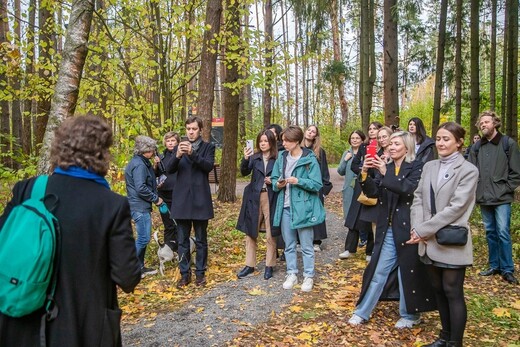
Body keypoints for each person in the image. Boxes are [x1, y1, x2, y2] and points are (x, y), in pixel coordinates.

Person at [0, 115, 141, 346]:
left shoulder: (28, 190)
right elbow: (128, 277)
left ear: (59, 147)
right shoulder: (111, 205)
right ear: (102, 154)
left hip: (20, 324)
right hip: (82, 329)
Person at [348, 131, 436, 328]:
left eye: (397, 144)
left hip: (410, 228)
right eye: (391, 144)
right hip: (387, 228)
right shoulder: (386, 166)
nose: (392, 147)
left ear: (407, 147)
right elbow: (374, 192)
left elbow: (409, 190)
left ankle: (410, 315)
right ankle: (362, 312)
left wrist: (385, 173)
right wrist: (364, 173)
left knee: (408, 271)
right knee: (379, 270)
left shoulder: (416, 167)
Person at [408, 122, 479, 347]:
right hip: (427, 239)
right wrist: (417, 226)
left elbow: (456, 208)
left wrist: (424, 229)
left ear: (459, 143)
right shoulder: (429, 166)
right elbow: (417, 197)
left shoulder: (468, 170)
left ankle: (454, 342)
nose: (440, 143)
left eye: (446, 139)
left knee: (452, 291)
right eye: (438, 138)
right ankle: (444, 336)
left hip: (450, 239)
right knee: (437, 289)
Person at [468, 111, 520, 285]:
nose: (483, 125)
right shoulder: (477, 147)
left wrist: (506, 189)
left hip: (502, 197)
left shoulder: (508, 143)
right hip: (483, 196)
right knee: (490, 232)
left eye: (486, 122)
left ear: (495, 123)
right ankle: (494, 265)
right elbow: (471, 172)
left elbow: (516, 172)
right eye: (481, 123)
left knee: (503, 232)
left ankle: (507, 269)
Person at [271, 125, 325, 292]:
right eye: (283, 140)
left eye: (286, 141)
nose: (283, 143)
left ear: (296, 141)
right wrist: (277, 184)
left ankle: (308, 276)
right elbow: (274, 180)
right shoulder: (281, 157)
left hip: (304, 208)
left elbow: (317, 184)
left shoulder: (310, 159)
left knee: (307, 245)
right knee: (289, 244)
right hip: (285, 206)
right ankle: (292, 273)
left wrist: (298, 181)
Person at [165, 116, 215, 288]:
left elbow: (208, 166)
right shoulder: (178, 148)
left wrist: (193, 154)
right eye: (188, 129)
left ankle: (200, 274)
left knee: (201, 240)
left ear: (200, 129)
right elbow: (168, 169)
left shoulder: (208, 147)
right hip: (182, 201)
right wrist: (178, 155)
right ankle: (184, 274)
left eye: (194, 129)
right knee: (182, 240)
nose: (191, 132)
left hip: (201, 199)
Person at [236, 130, 279, 280]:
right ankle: (249, 264)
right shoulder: (254, 157)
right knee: (250, 231)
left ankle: (269, 265)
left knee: (270, 231)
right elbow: (243, 172)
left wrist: (272, 181)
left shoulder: (278, 158)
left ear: (271, 142)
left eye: (266, 141)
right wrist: (245, 158)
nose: (262, 143)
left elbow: (282, 177)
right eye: (260, 141)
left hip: (271, 196)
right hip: (253, 197)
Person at [125, 135, 163, 277]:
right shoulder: (139, 164)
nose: (154, 152)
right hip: (139, 206)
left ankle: (139, 267)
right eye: (152, 149)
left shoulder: (142, 162)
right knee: (143, 238)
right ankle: (130, 268)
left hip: (140, 205)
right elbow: (140, 187)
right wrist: (156, 199)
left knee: (143, 237)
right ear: (144, 150)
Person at [346, 121, 384, 260]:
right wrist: (364, 170)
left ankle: (370, 250)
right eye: (370, 129)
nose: (372, 131)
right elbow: (354, 165)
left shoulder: (385, 149)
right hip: (362, 182)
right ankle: (349, 248)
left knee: (371, 217)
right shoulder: (364, 146)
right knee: (354, 216)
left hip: (377, 184)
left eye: (375, 128)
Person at [302, 125, 332, 251]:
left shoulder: (319, 152)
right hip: (301, 185)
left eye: (313, 131)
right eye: (309, 130)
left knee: (316, 211)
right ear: (305, 132)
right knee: (302, 212)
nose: (310, 133)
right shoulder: (298, 149)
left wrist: (324, 190)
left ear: (316, 136)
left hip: (316, 187)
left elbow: (324, 171)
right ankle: (301, 240)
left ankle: (316, 241)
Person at [337, 130, 366, 259]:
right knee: (350, 217)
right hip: (349, 190)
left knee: (364, 215)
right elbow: (340, 171)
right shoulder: (347, 153)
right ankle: (350, 248)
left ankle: (365, 240)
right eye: (352, 138)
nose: (354, 140)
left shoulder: (365, 152)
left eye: (357, 138)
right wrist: (345, 160)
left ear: (362, 139)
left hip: (363, 188)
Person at [154, 131, 180, 251]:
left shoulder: (181, 155)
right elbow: (156, 175)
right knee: (168, 224)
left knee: (179, 223)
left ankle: (181, 250)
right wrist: (155, 165)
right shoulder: (160, 157)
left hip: (179, 195)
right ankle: (168, 250)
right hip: (163, 196)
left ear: (177, 142)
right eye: (168, 141)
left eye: (173, 140)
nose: (170, 143)